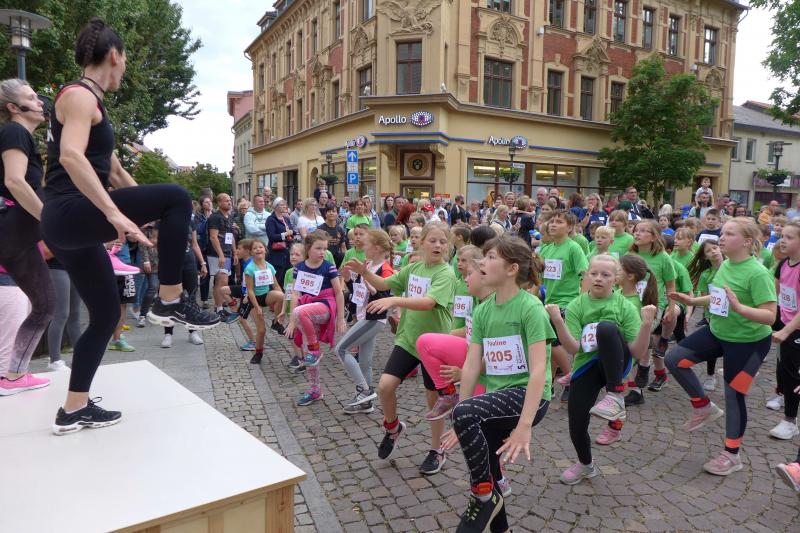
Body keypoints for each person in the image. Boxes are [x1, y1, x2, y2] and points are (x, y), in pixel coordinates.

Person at [40, 18, 219, 434]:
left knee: (105, 315)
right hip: (68, 211)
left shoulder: (94, 106)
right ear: (115, 56)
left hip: (69, 225)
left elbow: (118, 175)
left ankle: (73, 407)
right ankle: (169, 299)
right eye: (125, 60)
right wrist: (115, 213)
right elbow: (70, 156)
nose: (125, 68)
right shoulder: (79, 96)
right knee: (178, 194)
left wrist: (152, 216)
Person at [439, 235, 552, 533]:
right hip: (497, 397)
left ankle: (481, 495)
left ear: (512, 269)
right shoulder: (483, 310)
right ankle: (499, 522)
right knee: (486, 462)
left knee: (466, 418)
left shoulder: (531, 308)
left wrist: (524, 426)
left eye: (491, 257)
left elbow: (539, 370)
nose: (482, 262)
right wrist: (460, 416)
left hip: (529, 396)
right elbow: (471, 365)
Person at [666, 217, 776, 475]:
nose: (722, 238)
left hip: (749, 343)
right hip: (718, 332)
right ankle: (703, 406)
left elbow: (770, 316)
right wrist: (693, 301)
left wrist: (740, 308)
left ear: (747, 242)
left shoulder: (758, 273)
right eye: (722, 233)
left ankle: (731, 455)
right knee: (674, 359)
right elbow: (719, 296)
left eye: (729, 234)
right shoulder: (726, 264)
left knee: (733, 395)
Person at [346, 222, 456, 475]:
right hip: (408, 339)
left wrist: (395, 300)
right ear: (422, 243)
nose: (437, 245)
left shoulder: (446, 273)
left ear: (448, 246)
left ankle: (437, 450)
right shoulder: (414, 267)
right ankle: (393, 428)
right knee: (385, 387)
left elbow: (428, 303)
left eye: (442, 242)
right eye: (433, 240)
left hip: (435, 345)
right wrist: (365, 273)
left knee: (434, 400)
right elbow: (385, 284)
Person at [547, 254, 656, 485]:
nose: (598, 278)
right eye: (594, 273)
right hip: (587, 365)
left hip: (616, 365)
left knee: (606, 328)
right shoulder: (577, 305)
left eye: (605, 275)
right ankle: (586, 464)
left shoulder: (624, 306)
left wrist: (647, 324)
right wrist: (557, 321)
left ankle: (615, 395)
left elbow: (636, 351)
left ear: (616, 279)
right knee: (576, 422)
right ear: (587, 276)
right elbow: (574, 348)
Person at [0, 78, 56, 395]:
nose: (40, 102)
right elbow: (15, 181)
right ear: (13, 107)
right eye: (32, 97)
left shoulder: (21, 136)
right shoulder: (14, 131)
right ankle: (13, 376)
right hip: (14, 233)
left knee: (45, 305)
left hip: (17, 236)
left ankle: (14, 375)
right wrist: (49, 220)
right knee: (45, 305)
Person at [335, 229, 394, 414]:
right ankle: (366, 404)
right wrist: (347, 279)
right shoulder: (367, 264)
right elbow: (358, 292)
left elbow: (385, 297)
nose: (362, 246)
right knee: (365, 362)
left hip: (373, 319)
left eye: (366, 244)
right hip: (364, 316)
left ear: (376, 248)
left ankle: (364, 391)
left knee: (341, 349)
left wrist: (372, 286)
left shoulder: (386, 269)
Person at [286, 231, 346, 405]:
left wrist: (340, 318)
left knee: (300, 315)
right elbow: (295, 294)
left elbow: (338, 293)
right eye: (318, 248)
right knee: (308, 356)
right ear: (308, 248)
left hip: (325, 306)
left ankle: (315, 349)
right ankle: (315, 390)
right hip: (307, 308)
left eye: (324, 249)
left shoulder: (329, 267)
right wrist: (291, 323)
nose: (322, 252)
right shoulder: (299, 268)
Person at [625, 220, 677, 404]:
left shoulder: (663, 258)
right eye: (635, 230)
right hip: (630, 304)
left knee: (637, 337)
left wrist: (671, 308)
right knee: (630, 341)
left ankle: (643, 370)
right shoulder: (630, 255)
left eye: (643, 231)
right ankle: (635, 389)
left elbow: (670, 285)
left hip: (653, 306)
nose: (637, 233)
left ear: (654, 237)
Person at [769, 221, 800, 440]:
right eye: (782, 236)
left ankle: (790, 421)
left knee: (792, 374)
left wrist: (787, 330)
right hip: (785, 325)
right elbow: (776, 296)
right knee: (783, 371)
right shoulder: (783, 264)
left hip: (795, 330)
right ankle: (783, 400)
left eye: (789, 237)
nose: (783, 240)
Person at [686, 240, 724, 390]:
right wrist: (708, 316)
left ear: (721, 249)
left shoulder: (732, 269)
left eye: (715, 247)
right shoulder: (705, 275)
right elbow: (704, 298)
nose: (713, 251)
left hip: (734, 316)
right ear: (705, 257)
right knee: (712, 347)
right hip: (714, 316)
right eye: (708, 251)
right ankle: (710, 376)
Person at [243, 240, 285, 365]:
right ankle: (258, 353)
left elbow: (276, 286)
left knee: (281, 295)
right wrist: (257, 307)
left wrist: (283, 303)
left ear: (265, 250)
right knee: (261, 330)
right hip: (254, 299)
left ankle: (276, 322)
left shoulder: (269, 266)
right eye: (255, 248)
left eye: (260, 247)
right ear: (251, 252)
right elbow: (250, 290)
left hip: (266, 296)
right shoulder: (250, 268)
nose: (258, 249)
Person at [206, 193, 237, 317]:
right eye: (226, 201)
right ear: (219, 203)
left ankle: (219, 307)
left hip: (227, 253)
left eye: (230, 200)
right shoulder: (215, 217)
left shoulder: (229, 216)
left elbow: (230, 236)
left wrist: (234, 252)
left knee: (223, 281)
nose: (229, 202)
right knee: (221, 280)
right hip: (217, 254)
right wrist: (221, 255)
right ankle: (219, 309)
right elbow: (213, 237)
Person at [265, 197, 295, 289]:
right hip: (276, 254)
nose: (285, 206)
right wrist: (285, 234)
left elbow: (292, 231)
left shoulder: (286, 218)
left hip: (287, 252)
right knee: (276, 279)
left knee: (286, 279)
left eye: (285, 204)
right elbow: (272, 236)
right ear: (276, 207)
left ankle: (285, 296)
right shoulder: (271, 219)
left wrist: (291, 233)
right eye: (282, 205)